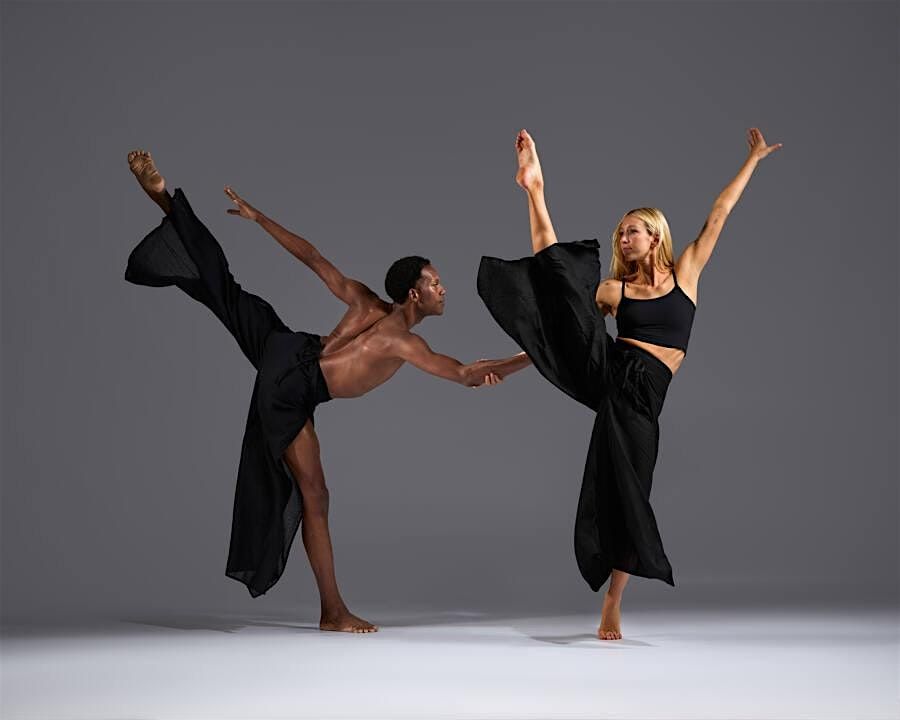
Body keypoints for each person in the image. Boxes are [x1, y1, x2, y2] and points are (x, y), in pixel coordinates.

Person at [125, 150, 531, 633]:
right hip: (292, 387)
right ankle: (332, 611)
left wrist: (259, 219)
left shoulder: (364, 301)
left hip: (285, 346)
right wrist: (534, 355)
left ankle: (165, 201)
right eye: (436, 283)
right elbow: (465, 373)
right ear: (414, 294)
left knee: (226, 290)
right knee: (315, 496)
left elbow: (313, 258)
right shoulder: (404, 343)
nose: (443, 289)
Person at [478, 128, 781, 640]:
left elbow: (720, 212)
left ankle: (613, 598)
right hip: (613, 374)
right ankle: (535, 188)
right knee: (561, 288)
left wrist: (752, 159)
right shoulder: (614, 291)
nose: (623, 238)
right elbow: (568, 335)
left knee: (631, 490)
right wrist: (509, 365)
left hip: (644, 399)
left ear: (655, 236)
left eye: (631, 231)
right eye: (620, 233)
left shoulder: (686, 273)